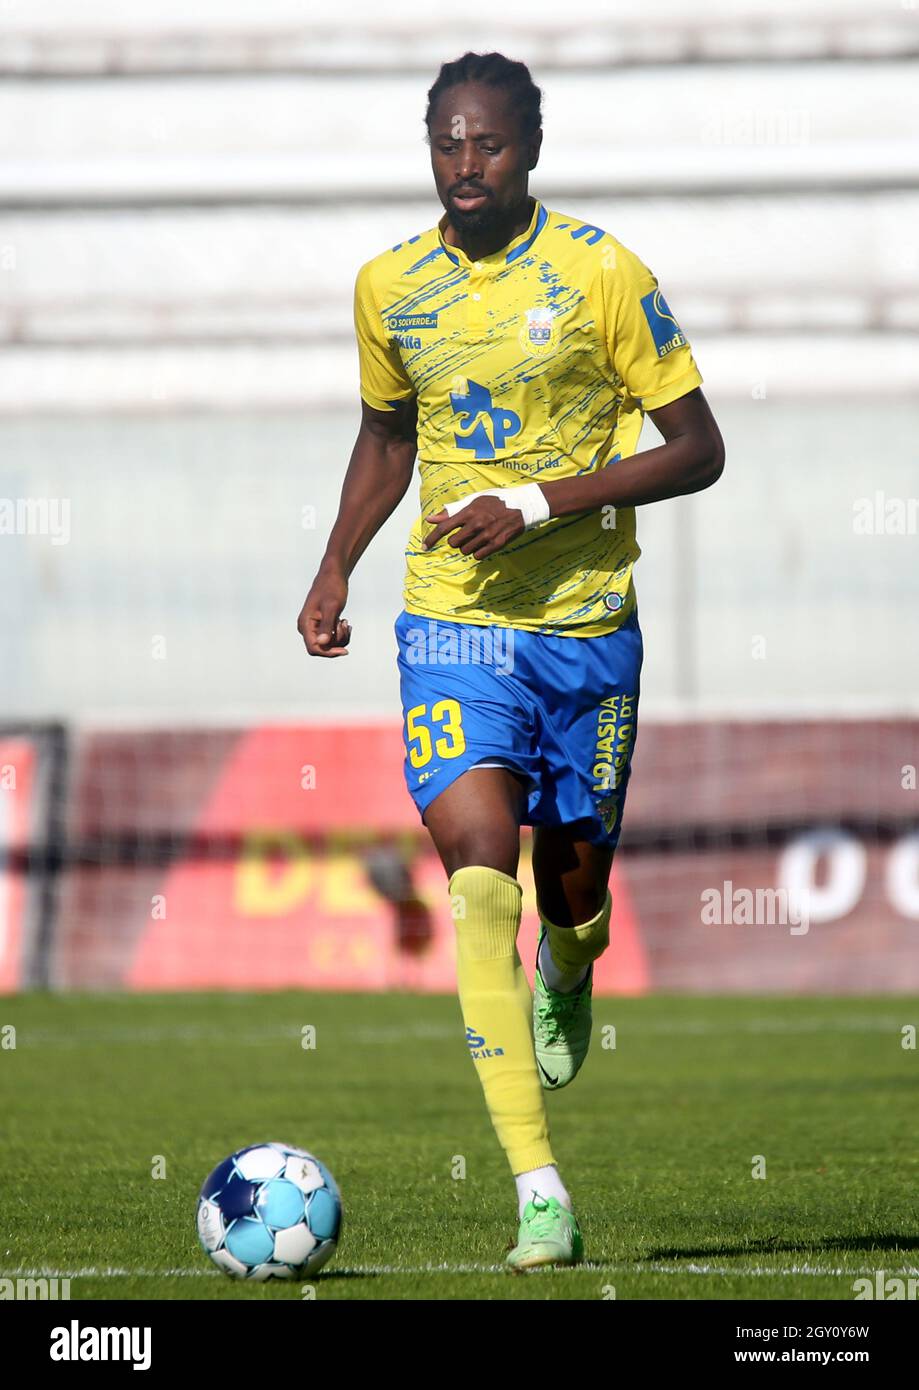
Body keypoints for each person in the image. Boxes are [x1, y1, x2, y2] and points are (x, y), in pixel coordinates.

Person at [299, 50, 725, 1271]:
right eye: (445, 141)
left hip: (585, 628)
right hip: (449, 627)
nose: (464, 163)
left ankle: (575, 957)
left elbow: (697, 448)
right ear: (426, 146)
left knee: (570, 889)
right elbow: (388, 435)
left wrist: (539, 503)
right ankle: (540, 1189)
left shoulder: (600, 272)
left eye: (486, 143)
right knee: (479, 882)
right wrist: (335, 563)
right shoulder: (389, 287)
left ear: (528, 148)